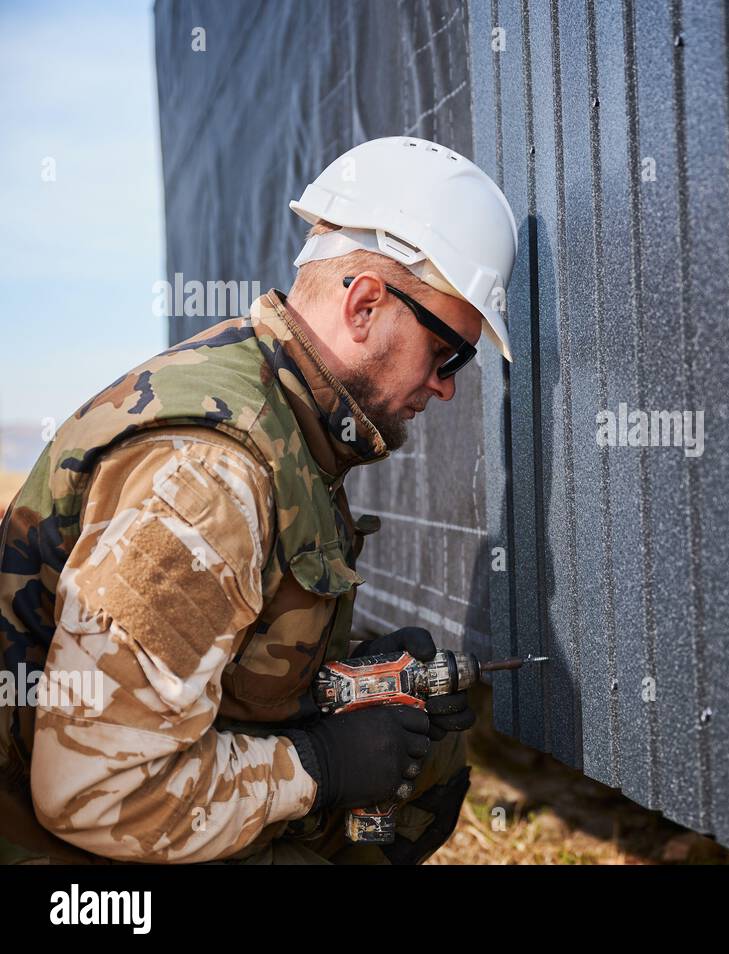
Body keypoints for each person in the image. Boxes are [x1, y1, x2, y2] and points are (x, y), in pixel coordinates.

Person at [0, 137, 517, 864]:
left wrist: (354, 681)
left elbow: (221, 662)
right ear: (367, 303)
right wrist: (320, 767)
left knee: (425, 751)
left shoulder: (279, 410)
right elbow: (93, 792)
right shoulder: (210, 478)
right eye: (447, 353)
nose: (447, 385)